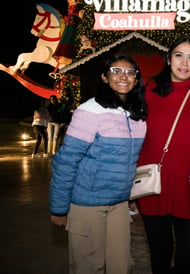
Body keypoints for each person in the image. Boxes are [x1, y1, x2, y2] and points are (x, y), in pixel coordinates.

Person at [49, 54, 147, 273]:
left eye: (130, 72)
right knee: (89, 267)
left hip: (120, 206)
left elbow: (129, 161)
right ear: (104, 77)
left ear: (136, 79)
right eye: (116, 71)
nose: (124, 77)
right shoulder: (90, 111)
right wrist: (59, 208)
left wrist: (131, 196)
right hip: (87, 205)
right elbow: (65, 161)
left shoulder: (137, 115)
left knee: (120, 267)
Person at [132, 37, 190, 274]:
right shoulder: (149, 91)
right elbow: (133, 133)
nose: (184, 62)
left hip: (189, 187)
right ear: (169, 59)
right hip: (152, 185)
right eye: (179, 55)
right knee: (160, 255)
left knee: (187, 260)